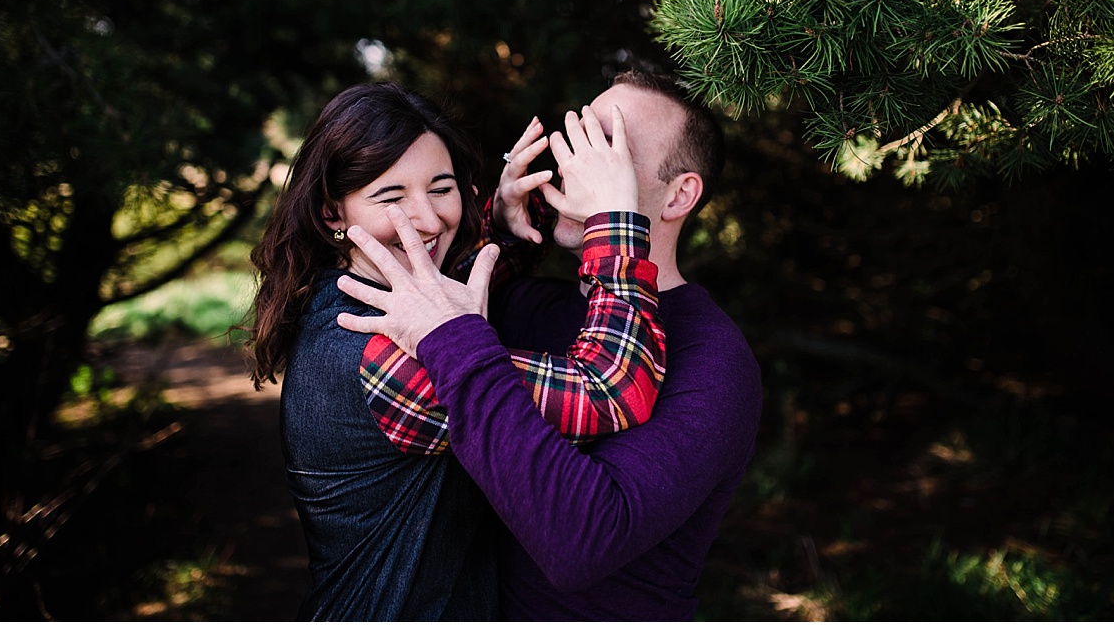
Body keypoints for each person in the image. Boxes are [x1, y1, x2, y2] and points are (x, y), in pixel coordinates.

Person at [337, 70, 764, 620]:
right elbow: (442, 295)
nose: (575, 165)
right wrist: (499, 226)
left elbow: (580, 543)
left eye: (607, 152)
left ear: (680, 195)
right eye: (579, 139)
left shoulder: (716, 362)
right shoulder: (527, 305)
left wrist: (613, 220)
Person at [245, 81, 668, 621]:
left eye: (441, 188)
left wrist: (508, 225)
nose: (428, 219)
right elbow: (611, 388)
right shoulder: (381, 354)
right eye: (391, 197)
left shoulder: (351, 294)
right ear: (332, 213)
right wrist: (616, 221)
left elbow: (452, 299)